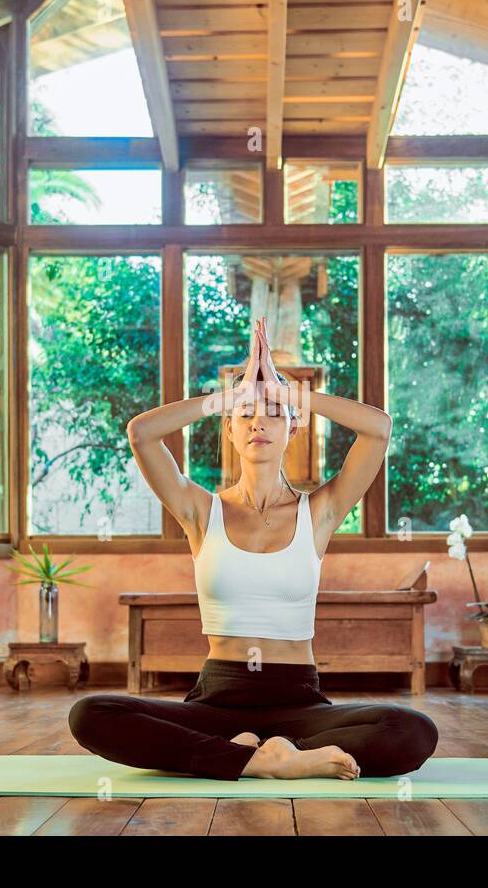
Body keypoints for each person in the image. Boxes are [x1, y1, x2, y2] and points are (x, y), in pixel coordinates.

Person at [68, 316, 439, 780]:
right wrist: (226, 397)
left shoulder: (319, 512)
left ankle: (271, 753)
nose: (257, 423)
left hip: (299, 703)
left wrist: (288, 392)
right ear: (229, 430)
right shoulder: (201, 512)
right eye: (244, 415)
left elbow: (378, 429)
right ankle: (268, 760)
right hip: (217, 700)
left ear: (293, 428)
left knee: (413, 730)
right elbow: (141, 433)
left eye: (273, 414)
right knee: (90, 714)